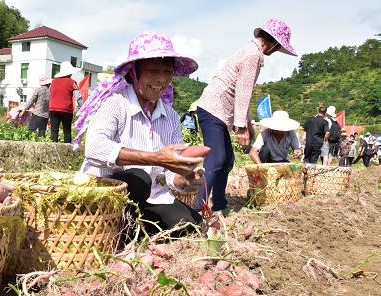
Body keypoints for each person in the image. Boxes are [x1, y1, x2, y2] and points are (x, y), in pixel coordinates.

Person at [74, 32, 204, 235]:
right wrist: (156, 159)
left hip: (150, 197)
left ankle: (133, 230)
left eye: (167, 72)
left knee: (191, 225)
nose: (160, 79)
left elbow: (170, 174)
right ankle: (120, 229)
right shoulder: (115, 104)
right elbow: (94, 148)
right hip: (109, 195)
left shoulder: (169, 115)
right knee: (139, 178)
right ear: (134, 73)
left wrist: (183, 178)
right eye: (153, 71)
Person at [195, 18, 297, 213]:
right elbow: (242, 91)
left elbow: (242, 93)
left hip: (219, 110)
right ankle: (198, 209)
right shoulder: (253, 54)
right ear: (274, 42)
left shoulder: (251, 52)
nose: (276, 51)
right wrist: (241, 126)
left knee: (227, 159)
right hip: (213, 108)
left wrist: (247, 123)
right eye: (278, 47)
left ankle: (219, 204)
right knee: (216, 159)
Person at [49, 61, 82, 143]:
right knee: (67, 131)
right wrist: (85, 107)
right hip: (66, 110)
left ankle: (53, 150)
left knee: (54, 130)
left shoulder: (53, 81)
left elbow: (50, 94)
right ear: (70, 73)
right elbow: (78, 97)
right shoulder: (72, 82)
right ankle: (67, 152)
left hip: (53, 109)